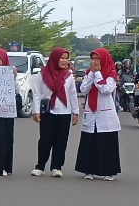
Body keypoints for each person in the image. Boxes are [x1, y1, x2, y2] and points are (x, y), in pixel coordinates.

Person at [74, 48, 122, 181]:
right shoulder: (89, 73)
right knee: (90, 141)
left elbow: (106, 89)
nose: (94, 62)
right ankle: (89, 170)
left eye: (97, 59)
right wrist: (92, 75)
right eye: (93, 59)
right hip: (91, 112)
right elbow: (83, 88)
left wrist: (99, 74)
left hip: (105, 113)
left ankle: (109, 171)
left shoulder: (111, 74)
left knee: (106, 142)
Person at [31, 47, 78, 178]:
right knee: (45, 139)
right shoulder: (42, 74)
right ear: (55, 58)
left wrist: (75, 112)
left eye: (66, 58)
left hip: (64, 111)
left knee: (61, 140)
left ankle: (56, 166)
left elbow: (73, 94)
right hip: (48, 112)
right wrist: (36, 111)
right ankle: (40, 166)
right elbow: (37, 94)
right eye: (61, 58)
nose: (64, 61)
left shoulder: (68, 76)